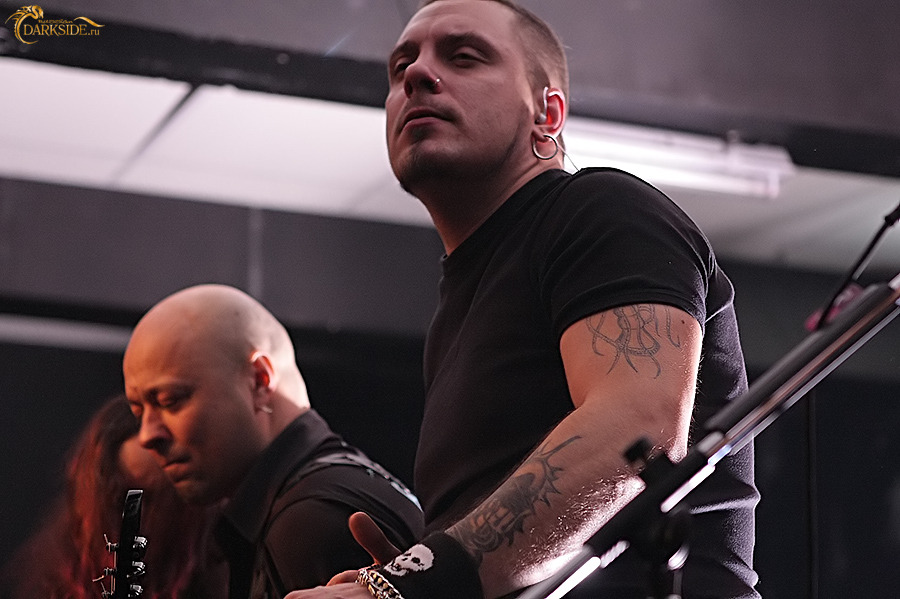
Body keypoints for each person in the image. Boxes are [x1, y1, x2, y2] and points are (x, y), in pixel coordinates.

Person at [287, 1, 759, 598]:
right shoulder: (458, 307)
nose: (417, 75)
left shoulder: (603, 211)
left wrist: (411, 584)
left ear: (547, 112)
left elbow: (635, 437)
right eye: (401, 65)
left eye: (463, 57)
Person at [122, 283, 425, 599]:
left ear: (259, 380)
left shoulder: (310, 524)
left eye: (170, 401)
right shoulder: (326, 494)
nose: (147, 435)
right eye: (138, 411)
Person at [0, 395, 225, 599]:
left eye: (157, 497)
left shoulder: (222, 565)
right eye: (125, 495)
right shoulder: (63, 576)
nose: (140, 516)